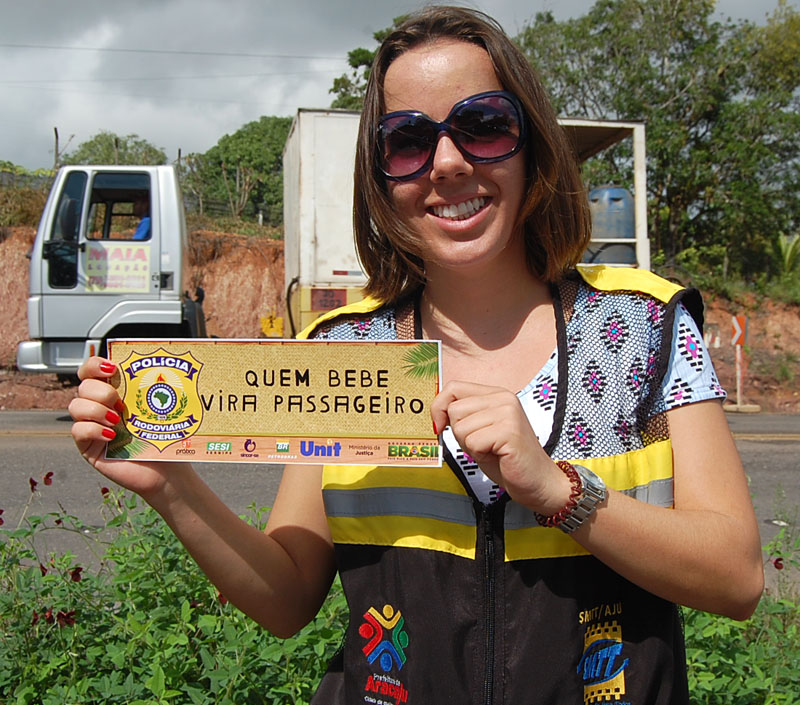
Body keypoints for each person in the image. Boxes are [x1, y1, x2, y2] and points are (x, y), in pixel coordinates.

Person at [70, 7, 763, 703]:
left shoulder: (647, 326)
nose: (448, 163)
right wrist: (172, 486)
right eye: (408, 141)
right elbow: (285, 598)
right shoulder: (341, 351)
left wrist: (559, 491)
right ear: (380, 177)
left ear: (532, 145)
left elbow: (736, 577)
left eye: (484, 125)